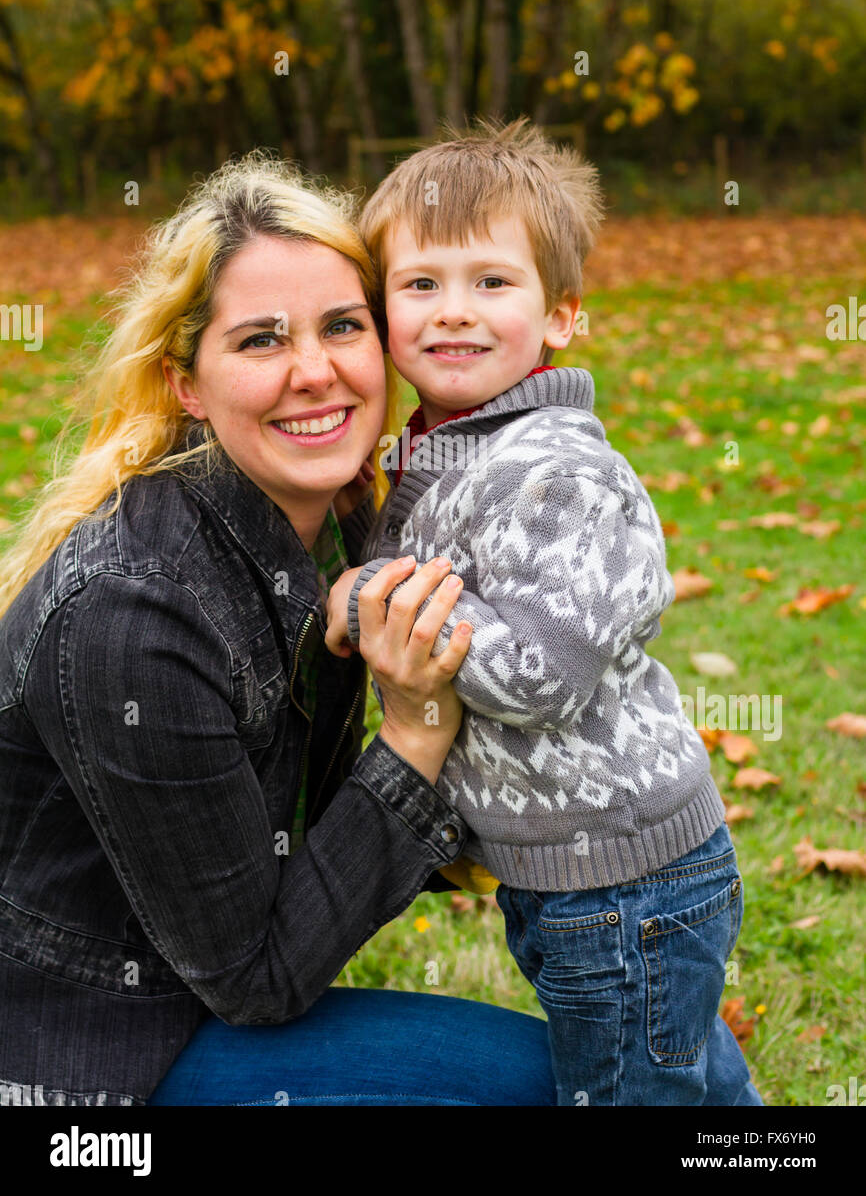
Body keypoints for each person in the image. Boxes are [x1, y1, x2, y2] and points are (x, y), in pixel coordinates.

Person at [0, 151, 557, 1107]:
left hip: (197, 993)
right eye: (261, 341)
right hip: (95, 1058)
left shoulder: (346, 524)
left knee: (649, 1043)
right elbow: (257, 978)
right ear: (185, 382)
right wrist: (417, 735)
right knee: (558, 1090)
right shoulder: (137, 614)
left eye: (344, 326)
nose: (316, 372)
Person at [325, 118, 764, 1106]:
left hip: (624, 889)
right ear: (380, 310)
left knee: (623, 1093)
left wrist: (371, 598)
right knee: (674, 1073)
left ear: (559, 313)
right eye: (421, 284)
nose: (453, 312)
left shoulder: (551, 468)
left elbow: (540, 674)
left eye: (491, 283)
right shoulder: (449, 446)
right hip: (573, 875)